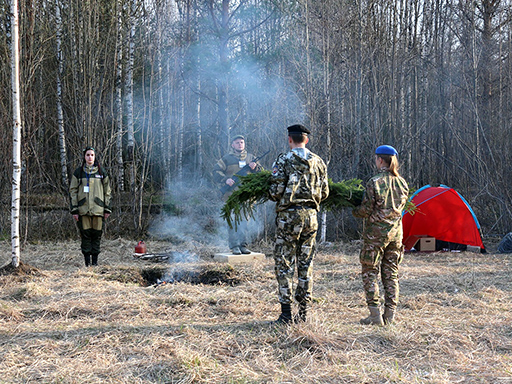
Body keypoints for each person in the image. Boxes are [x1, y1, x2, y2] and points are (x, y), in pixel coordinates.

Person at [268, 124, 329, 324]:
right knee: (306, 263)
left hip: (288, 217)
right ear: (307, 140)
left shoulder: (284, 160)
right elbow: (325, 192)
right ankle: (303, 314)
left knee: (284, 263)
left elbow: (275, 192)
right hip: (311, 217)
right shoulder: (319, 162)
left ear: (289, 139)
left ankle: (286, 313)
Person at [352, 145, 409, 325]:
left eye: (376, 158)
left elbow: (366, 209)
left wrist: (355, 209)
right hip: (396, 234)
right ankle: (389, 316)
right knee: (391, 273)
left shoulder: (374, 182)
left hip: (376, 235)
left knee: (370, 271)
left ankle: (375, 315)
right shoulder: (403, 183)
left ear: (380, 160)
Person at [213, 135, 262, 255]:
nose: (240, 144)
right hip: (230, 195)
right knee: (232, 220)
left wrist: (255, 168)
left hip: (246, 196)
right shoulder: (227, 159)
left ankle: (243, 245)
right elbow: (215, 172)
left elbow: (262, 173)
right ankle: (234, 246)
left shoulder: (251, 158)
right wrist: (226, 179)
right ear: (232, 145)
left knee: (245, 221)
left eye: (242, 142)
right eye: (237, 142)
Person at [69, 146, 112, 267]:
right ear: (84, 157)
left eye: (92, 155)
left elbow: (107, 191)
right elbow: (73, 191)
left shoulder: (101, 172)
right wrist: (75, 210)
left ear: (95, 157)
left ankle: (95, 263)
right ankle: (87, 264)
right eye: (87, 155)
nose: (90, 157)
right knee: (85, 236)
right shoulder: (78, 172)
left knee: (96, 236)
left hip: (98, 210)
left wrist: (107, 208)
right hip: (83, 210)